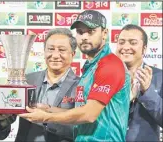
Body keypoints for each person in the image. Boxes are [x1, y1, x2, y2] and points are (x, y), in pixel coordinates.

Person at [19, 10, 131, 142]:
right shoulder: (91, 68)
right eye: (80, 32)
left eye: (90, 31)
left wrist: (45, 117)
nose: (84, 37)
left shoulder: (110, 65)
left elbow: (89, 114)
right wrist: (49, 109)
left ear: (104, 33)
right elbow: (81, 110)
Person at [15, 28, 80, 142]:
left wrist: (46, 117)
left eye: (61, 50)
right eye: (50, 49)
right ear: (44, 52)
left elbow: (80, 126)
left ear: (73, 54)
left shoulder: (81, 85)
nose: (55, 55)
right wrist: (3, 116)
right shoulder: (27, 80)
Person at [115, 24, 162, 141]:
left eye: (133, 42)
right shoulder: (106, 76)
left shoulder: (160, 77)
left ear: (144, 49)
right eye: (121, 42)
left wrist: (147, 91)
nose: (125, 47)